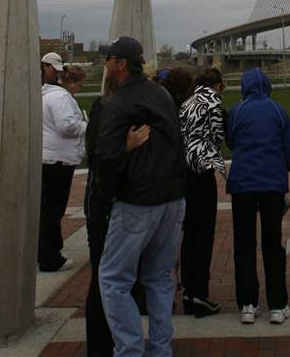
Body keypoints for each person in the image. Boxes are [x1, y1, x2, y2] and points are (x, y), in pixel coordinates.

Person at [95, 36, 187, 357]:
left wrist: (124, 150)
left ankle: (130, 350)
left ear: (121, 64)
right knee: (160, 277)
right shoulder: (161, 93)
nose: (105, 64)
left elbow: (104, 158)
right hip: (172, 199)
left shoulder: (118, 102)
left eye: (108, 59)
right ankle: (161, 349)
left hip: (137, 201)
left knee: (113, 280)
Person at [83, 79, 152, 357]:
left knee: (123, 280)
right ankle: (101, 347)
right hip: (104, 207)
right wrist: (125, 146)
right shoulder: (104, 110)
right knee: (104, 280)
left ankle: (122, 342)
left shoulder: (129, 111)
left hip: (127, 207)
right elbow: (98, 160)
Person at [225, 67, 290, 325]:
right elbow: (289, 150)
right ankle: (277, 305)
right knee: (273, 244)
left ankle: (248, 303)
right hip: (271, 185)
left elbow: (231, 142)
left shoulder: (236, 111)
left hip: (242, 184)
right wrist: (278, 170)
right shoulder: (278, 110)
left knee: (244, 244)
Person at [178, 67, 227, 317]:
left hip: (183, 173)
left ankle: (188, 290)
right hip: (201, 173)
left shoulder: (187, 102)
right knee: (204, 235)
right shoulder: (213, 103)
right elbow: (218, 136)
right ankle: (199, 292)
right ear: (218, 84)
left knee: (189, 235)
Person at [40, 51, 87, 273]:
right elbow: (66, 126)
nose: (79, 89)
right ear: (71, 82)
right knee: (53, 209)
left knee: (48, 208)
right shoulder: (60, 97)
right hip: (59, 160)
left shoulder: (47, 95)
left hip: (51, 157)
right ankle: (50, 257)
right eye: (79, 85)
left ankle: (46, 250)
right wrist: (87, 125)